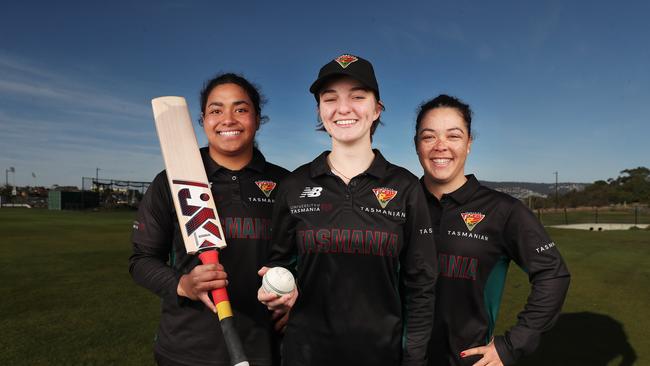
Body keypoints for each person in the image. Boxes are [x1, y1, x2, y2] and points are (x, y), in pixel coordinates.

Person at [259, 54, 437, 366]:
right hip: (305, 354)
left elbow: (421, 285)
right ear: (319, 111)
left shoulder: (406, 187)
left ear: (377, 109)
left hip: (381, 355)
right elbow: (280, 262)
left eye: (357, 96)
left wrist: (415, 358)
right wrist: (277, 292)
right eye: (330, 99)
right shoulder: (294, 185)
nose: (343, 108)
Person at [130, 73, 289, 366]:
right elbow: (141, 260)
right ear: (203, 120)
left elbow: (305, 260)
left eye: (240, 109)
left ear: (258, 118)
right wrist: (183, 284)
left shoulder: (285, 184)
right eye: (216, 110)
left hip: (265, 347)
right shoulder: (172, 181)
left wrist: (296, 297)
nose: (227, 119)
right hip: (187, 349)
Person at [413, 94, 571, 366]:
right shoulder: (397, 203)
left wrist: (513, 344)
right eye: (429, 137)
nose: (440, 146)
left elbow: (552, 273)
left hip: (465, 361)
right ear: (417, 144)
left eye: (453, 136)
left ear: (469, 144)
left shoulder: (503, 210)